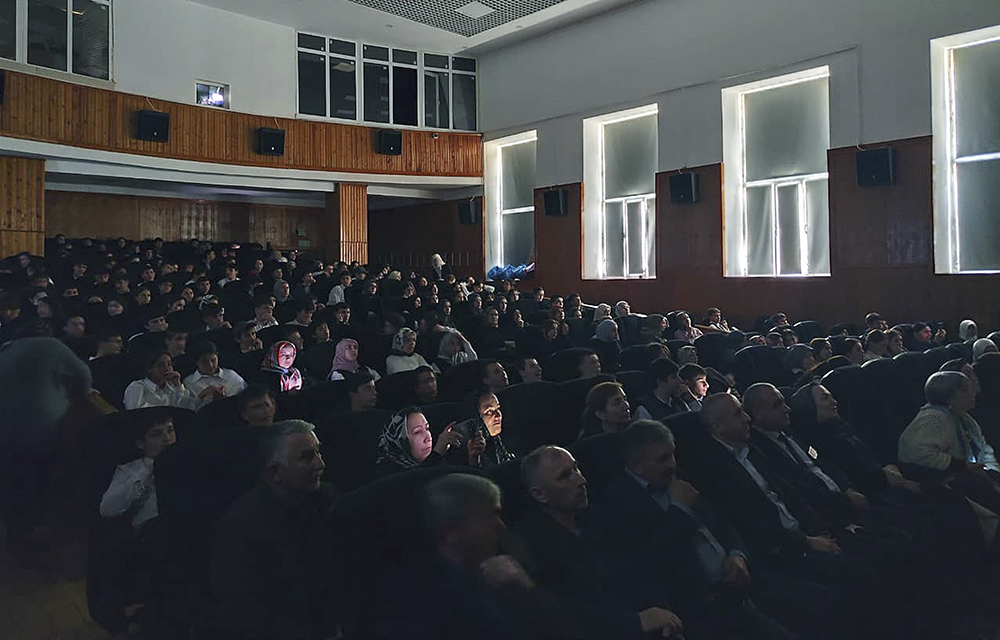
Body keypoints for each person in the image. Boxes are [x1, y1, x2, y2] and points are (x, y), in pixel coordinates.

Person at [600, 422, 799, 640]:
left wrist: (737, 554)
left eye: (672, 454)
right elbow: (651, 560)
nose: (672, 464)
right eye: (663, 458)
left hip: (740, 590)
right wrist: (680, 510)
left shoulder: (677, 477)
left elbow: (722, 521)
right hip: (699, 612)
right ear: (636, 465)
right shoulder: (618, 504)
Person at [516, 445, 690, 639]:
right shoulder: (533, 547)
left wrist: (665, 617)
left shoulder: (599, 518)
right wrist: (637, 622)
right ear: (539, 494)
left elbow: (642, 570)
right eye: (565, 476)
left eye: (576, 468)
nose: (581, 480)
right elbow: (567, 613)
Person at [210, 420, 338, 640]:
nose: (320, 464)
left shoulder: (328, 498)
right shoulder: (241, 528)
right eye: (306, 457)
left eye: (318, 452)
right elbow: (248, 615)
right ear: (275, 472)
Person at [898, 371, 1000, 521]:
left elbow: (983, 448)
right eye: (965, 389)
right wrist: (960, 465)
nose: (973, 393)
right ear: (950, 396)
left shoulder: (964, 418)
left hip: (973, 477)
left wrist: (992, 471)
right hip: (945, 486)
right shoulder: (934, 418)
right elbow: (915, 452)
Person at [99, 411, 177, 531]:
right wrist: (146, 471)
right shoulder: (130, 470)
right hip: (152, 531)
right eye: (157, 434)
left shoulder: (189, 461)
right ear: (141, 443)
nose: (167, 438)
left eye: (170, 431)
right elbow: (108, 510)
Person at [374, 407, 463, 475]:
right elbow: (416, 480)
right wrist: (438, 453)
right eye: (417, 432)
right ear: (401, 440)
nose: (428, 438)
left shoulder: (436, 462)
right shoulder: (387, 471)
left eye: (427, 428)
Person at [450, 389, 515, 469]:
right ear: (476, 417)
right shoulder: (465, 444)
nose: (498, 415)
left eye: (498, 408)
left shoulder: (506, 438)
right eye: (489, 411)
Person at [123, 350, 198, 410]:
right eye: (161, 366)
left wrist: (178, 385)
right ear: (149, 368)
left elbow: (188, 408)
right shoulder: (137, 387)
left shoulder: (172, 387)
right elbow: (135, 412)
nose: (167, 369)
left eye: (169, 364)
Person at [183, 340, 247, 410]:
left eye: (213, 360)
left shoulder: (231, 375)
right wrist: (202, 395)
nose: (210, 365)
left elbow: (246, 397)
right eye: (204, 362)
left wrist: (226, 400)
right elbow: (188, 409)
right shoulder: (189, 382)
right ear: (196, 362)